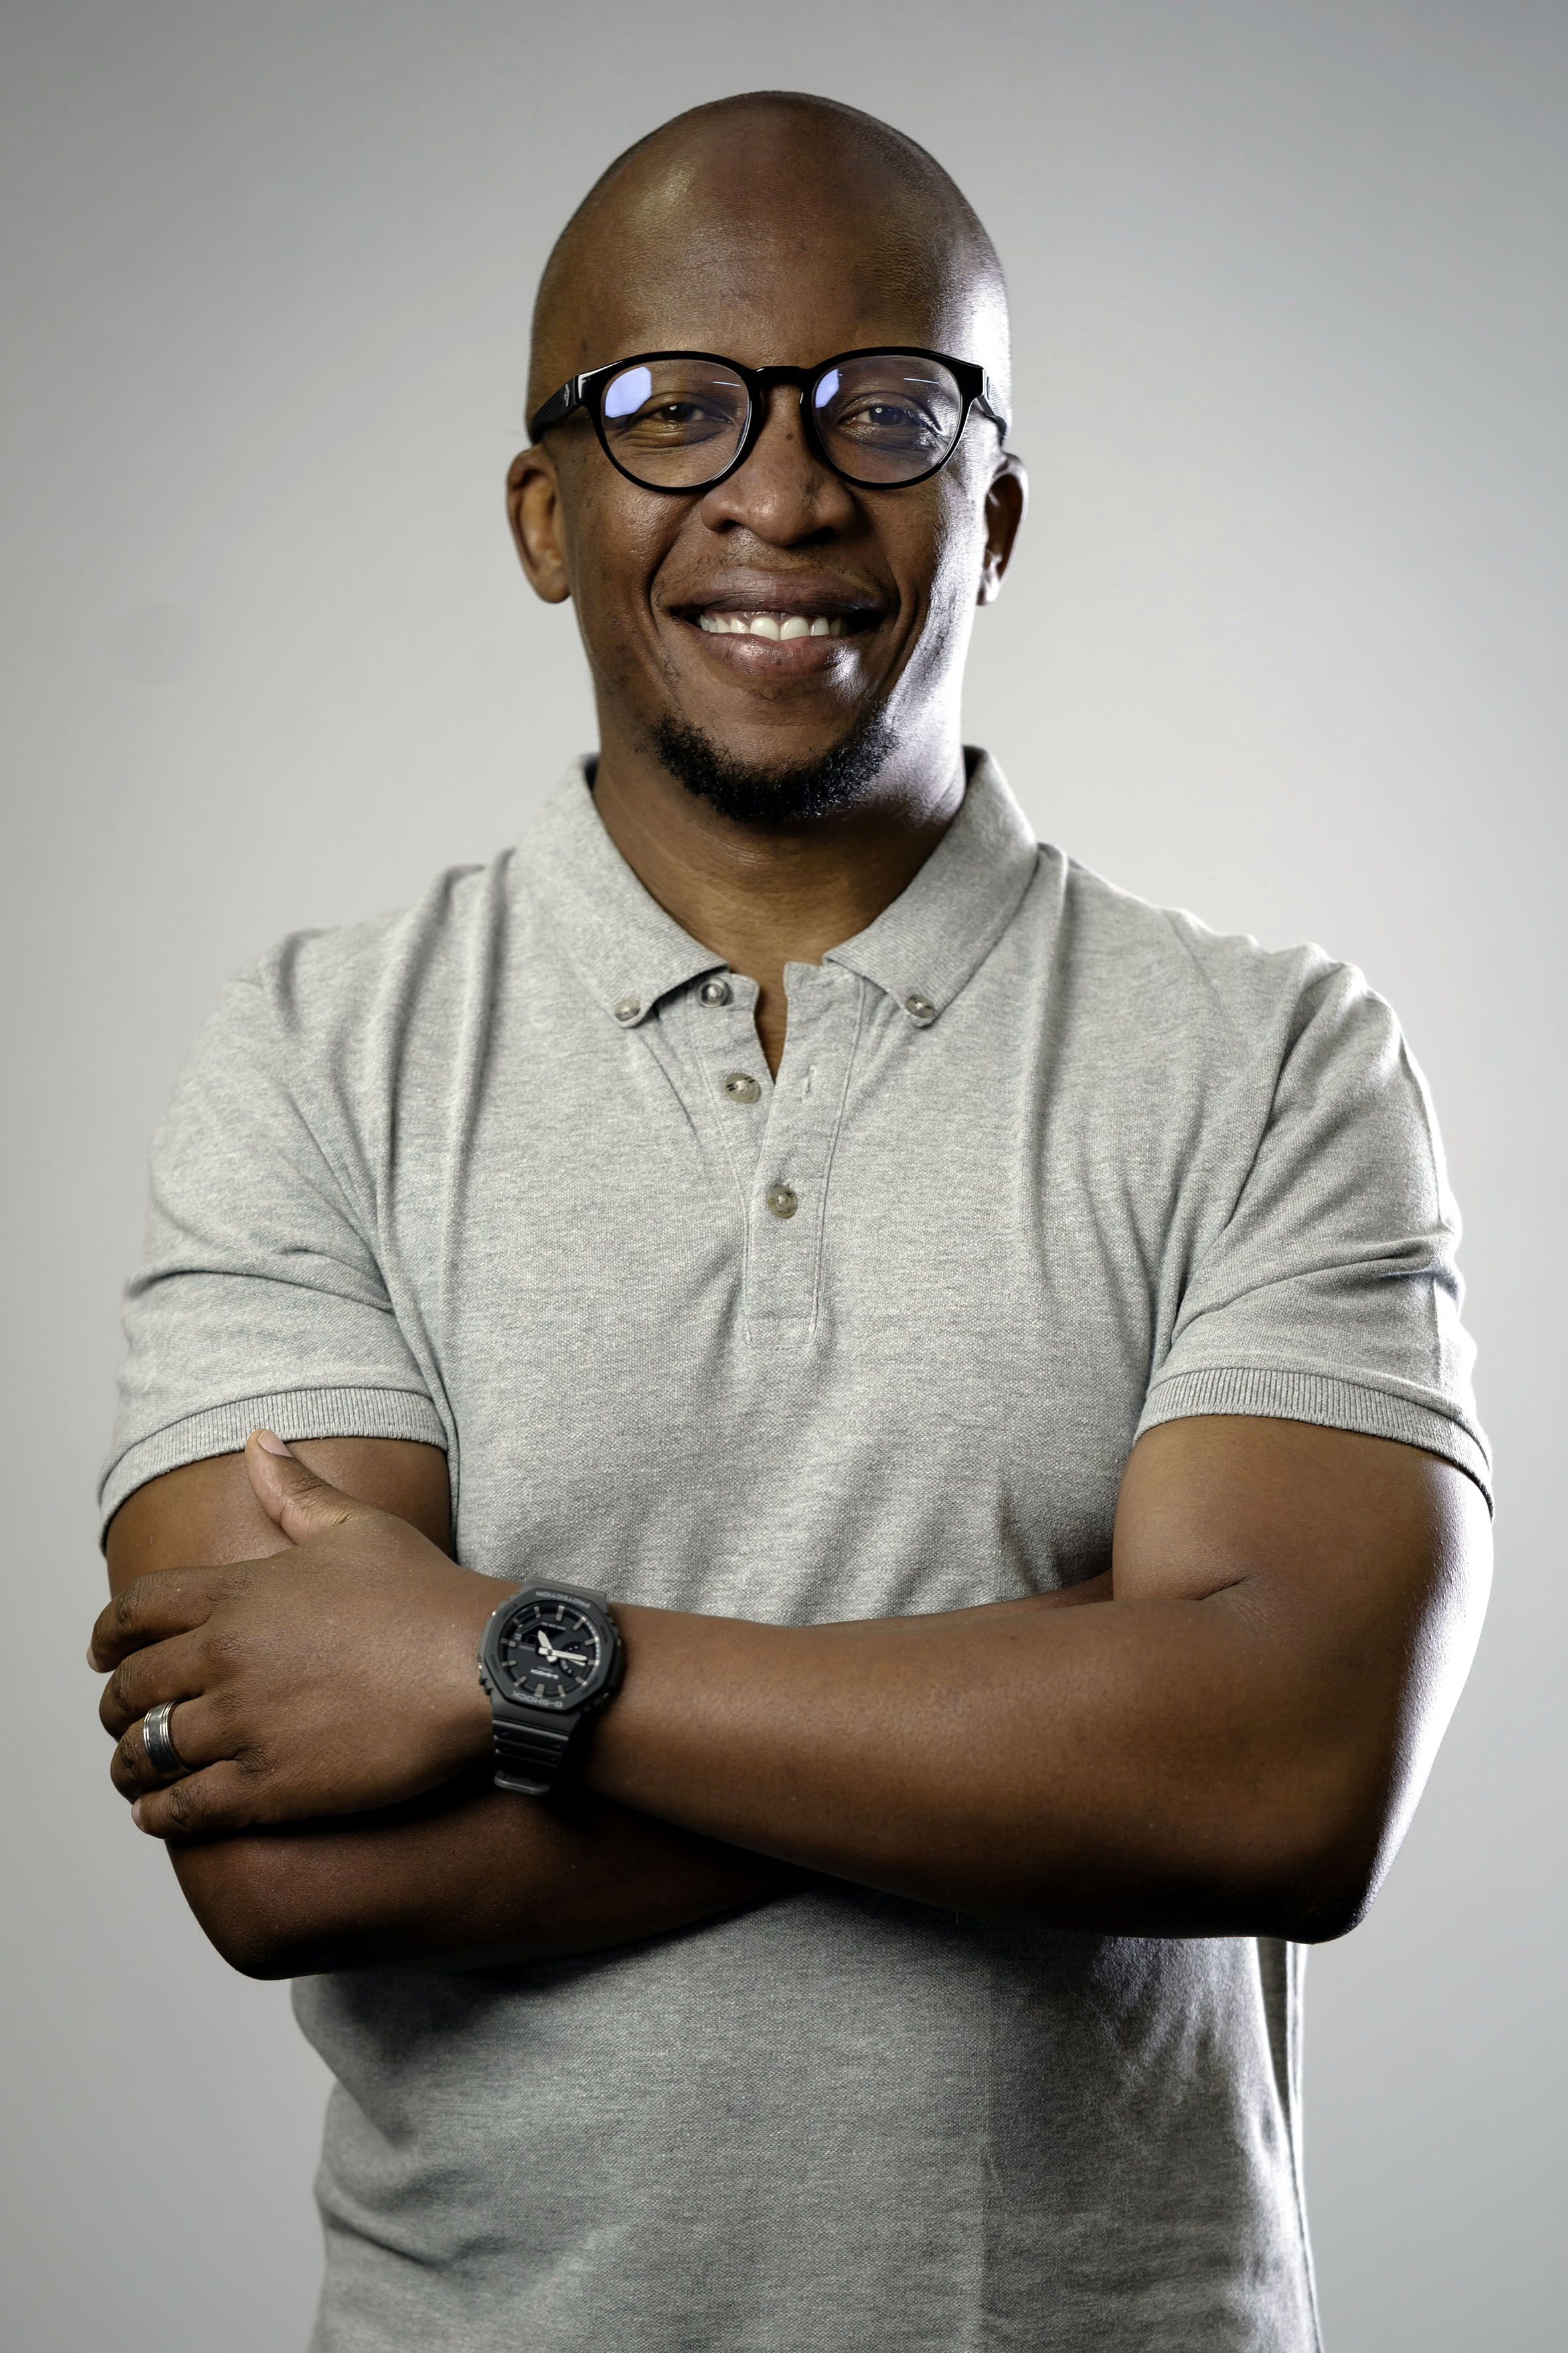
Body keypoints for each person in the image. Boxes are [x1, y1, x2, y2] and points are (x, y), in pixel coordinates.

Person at [90, 89, 1490, 2353]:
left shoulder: (1271, 1058)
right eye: (673, 407)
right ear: (544, 513)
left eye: (887, 406)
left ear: (989, 512)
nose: (782, 489)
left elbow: (1287, 1780)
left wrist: (492, 1664)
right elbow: (276, 1855)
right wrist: (1073, 1716)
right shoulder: (315, 1055)